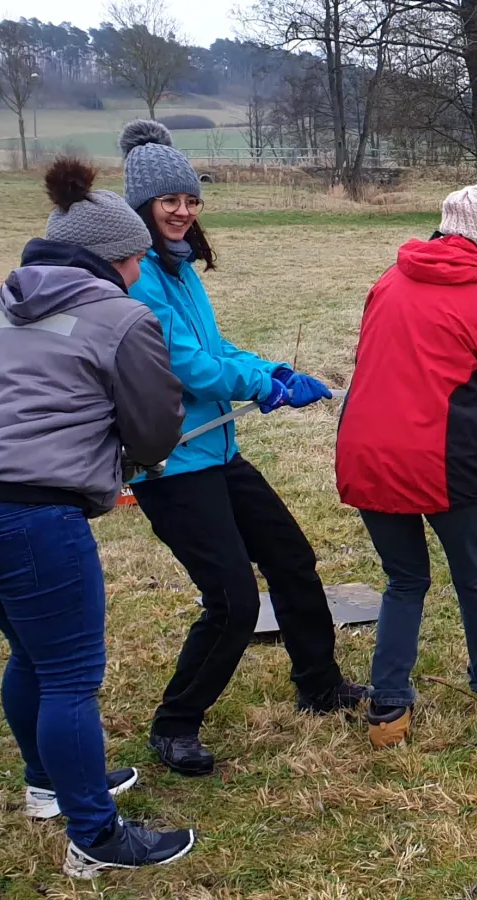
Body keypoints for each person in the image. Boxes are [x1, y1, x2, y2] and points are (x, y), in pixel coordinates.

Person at [0, 158, 197, 877]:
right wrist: (125, 455)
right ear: (116, 260)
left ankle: (49, 785)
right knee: (70, 676)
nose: (139, 273)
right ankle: (96, 835)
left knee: (32, 655)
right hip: (30, 515)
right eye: (134, 260)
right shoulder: (124, 315)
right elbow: (156, 430)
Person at [116, 120, 366, 777]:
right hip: (172, 464)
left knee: (291, 557)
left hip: (217, 454)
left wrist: (272, 368)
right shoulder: (138, 278)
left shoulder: (180, 271)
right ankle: (175, 726)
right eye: (170, 201)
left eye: (191, 200)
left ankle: (320, 686)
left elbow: (217, 349)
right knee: (231, 599)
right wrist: (262, 384)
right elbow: (191, 369)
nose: (183, 211)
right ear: (142, 206)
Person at [336, 184, 477, 748]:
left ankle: (388, 714)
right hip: (441, 461)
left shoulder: (388, 281)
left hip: (366, 453)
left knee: (405, 580)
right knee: (473, 574)